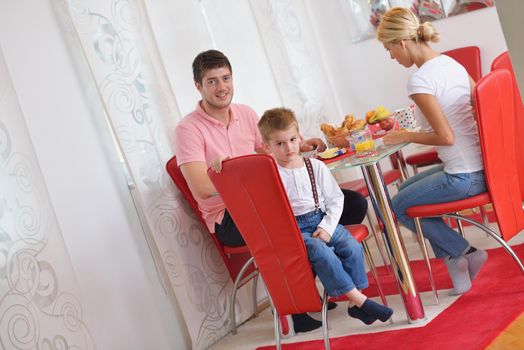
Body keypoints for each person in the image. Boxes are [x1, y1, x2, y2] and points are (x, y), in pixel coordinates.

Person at [174, 49, 368, 333]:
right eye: (212, 81)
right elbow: (201, 188)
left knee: (352, 204)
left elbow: (267, 150)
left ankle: (328, 279)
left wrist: (298, 145)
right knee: (287, 226)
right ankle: (299, 307)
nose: (221, 87)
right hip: (228, 217)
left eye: (225, 78)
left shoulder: (245, 113)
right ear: (198, 86)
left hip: (268, 203)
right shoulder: (188, 129)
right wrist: (245, 186)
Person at [244, 107, 393, 325]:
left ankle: (355, 304)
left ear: (299, 136)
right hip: (293, 229)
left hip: (321, 219)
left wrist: (327, 227)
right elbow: (241, 174)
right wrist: (220, 161)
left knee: (352, 246)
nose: (289, 148)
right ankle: (361, 301)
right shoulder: (269, 173)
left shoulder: (314, 166)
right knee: (319, 251)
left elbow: (335, 200)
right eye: (279, 144)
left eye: (293, 140)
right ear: (267, 147)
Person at [376, 7, 488, 295]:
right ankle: (458, 264)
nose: (390, 57)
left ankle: (464, 252)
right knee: (405, 192)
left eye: (388, 49)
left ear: (402, 43)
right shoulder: (451, 64)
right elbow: (480, 109)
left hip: (463, 176)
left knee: (396, 206)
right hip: (480, 167)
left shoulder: (419, 80)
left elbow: (446, 136)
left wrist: (404, 136)